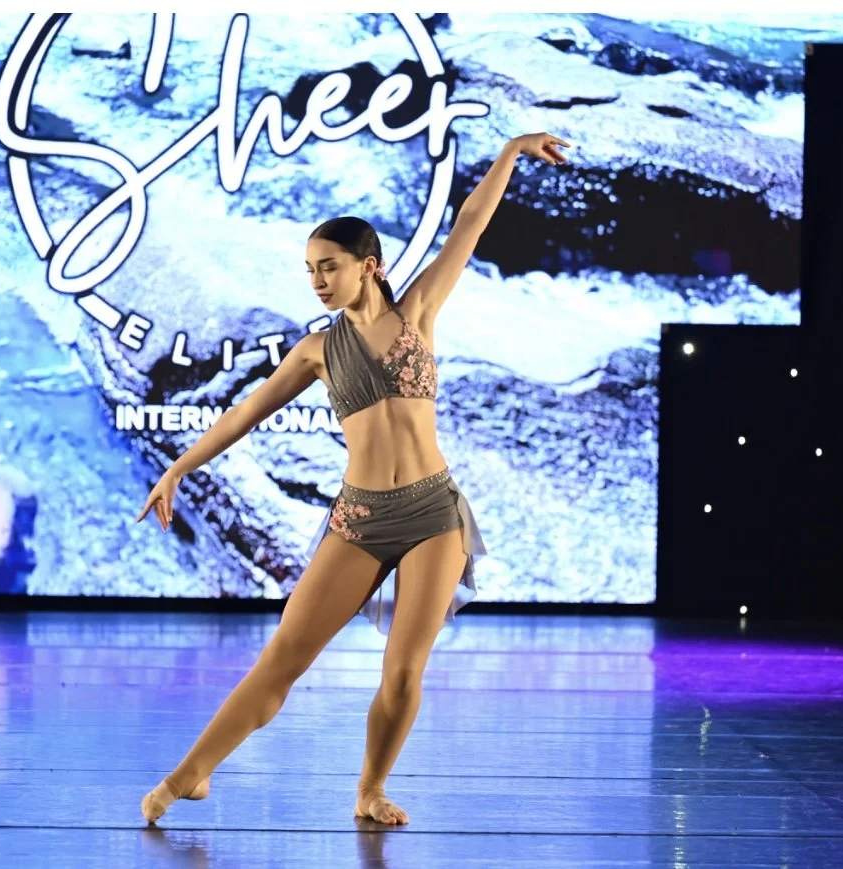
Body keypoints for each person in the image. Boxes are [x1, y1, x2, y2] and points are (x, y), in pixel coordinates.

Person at [137, 132, 571, 826]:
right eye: (309, 269)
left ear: (369, 266)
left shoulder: (418, 311)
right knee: (283, 657)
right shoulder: (317, 350)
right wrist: (178, 468)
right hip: (360, 517)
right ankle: (191, 773)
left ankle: (371, 789)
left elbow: (468, 223)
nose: (317, 280)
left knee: (403, 670)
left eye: (329, 266)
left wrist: (512, 152)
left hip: (433, 514)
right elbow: (245, 412)